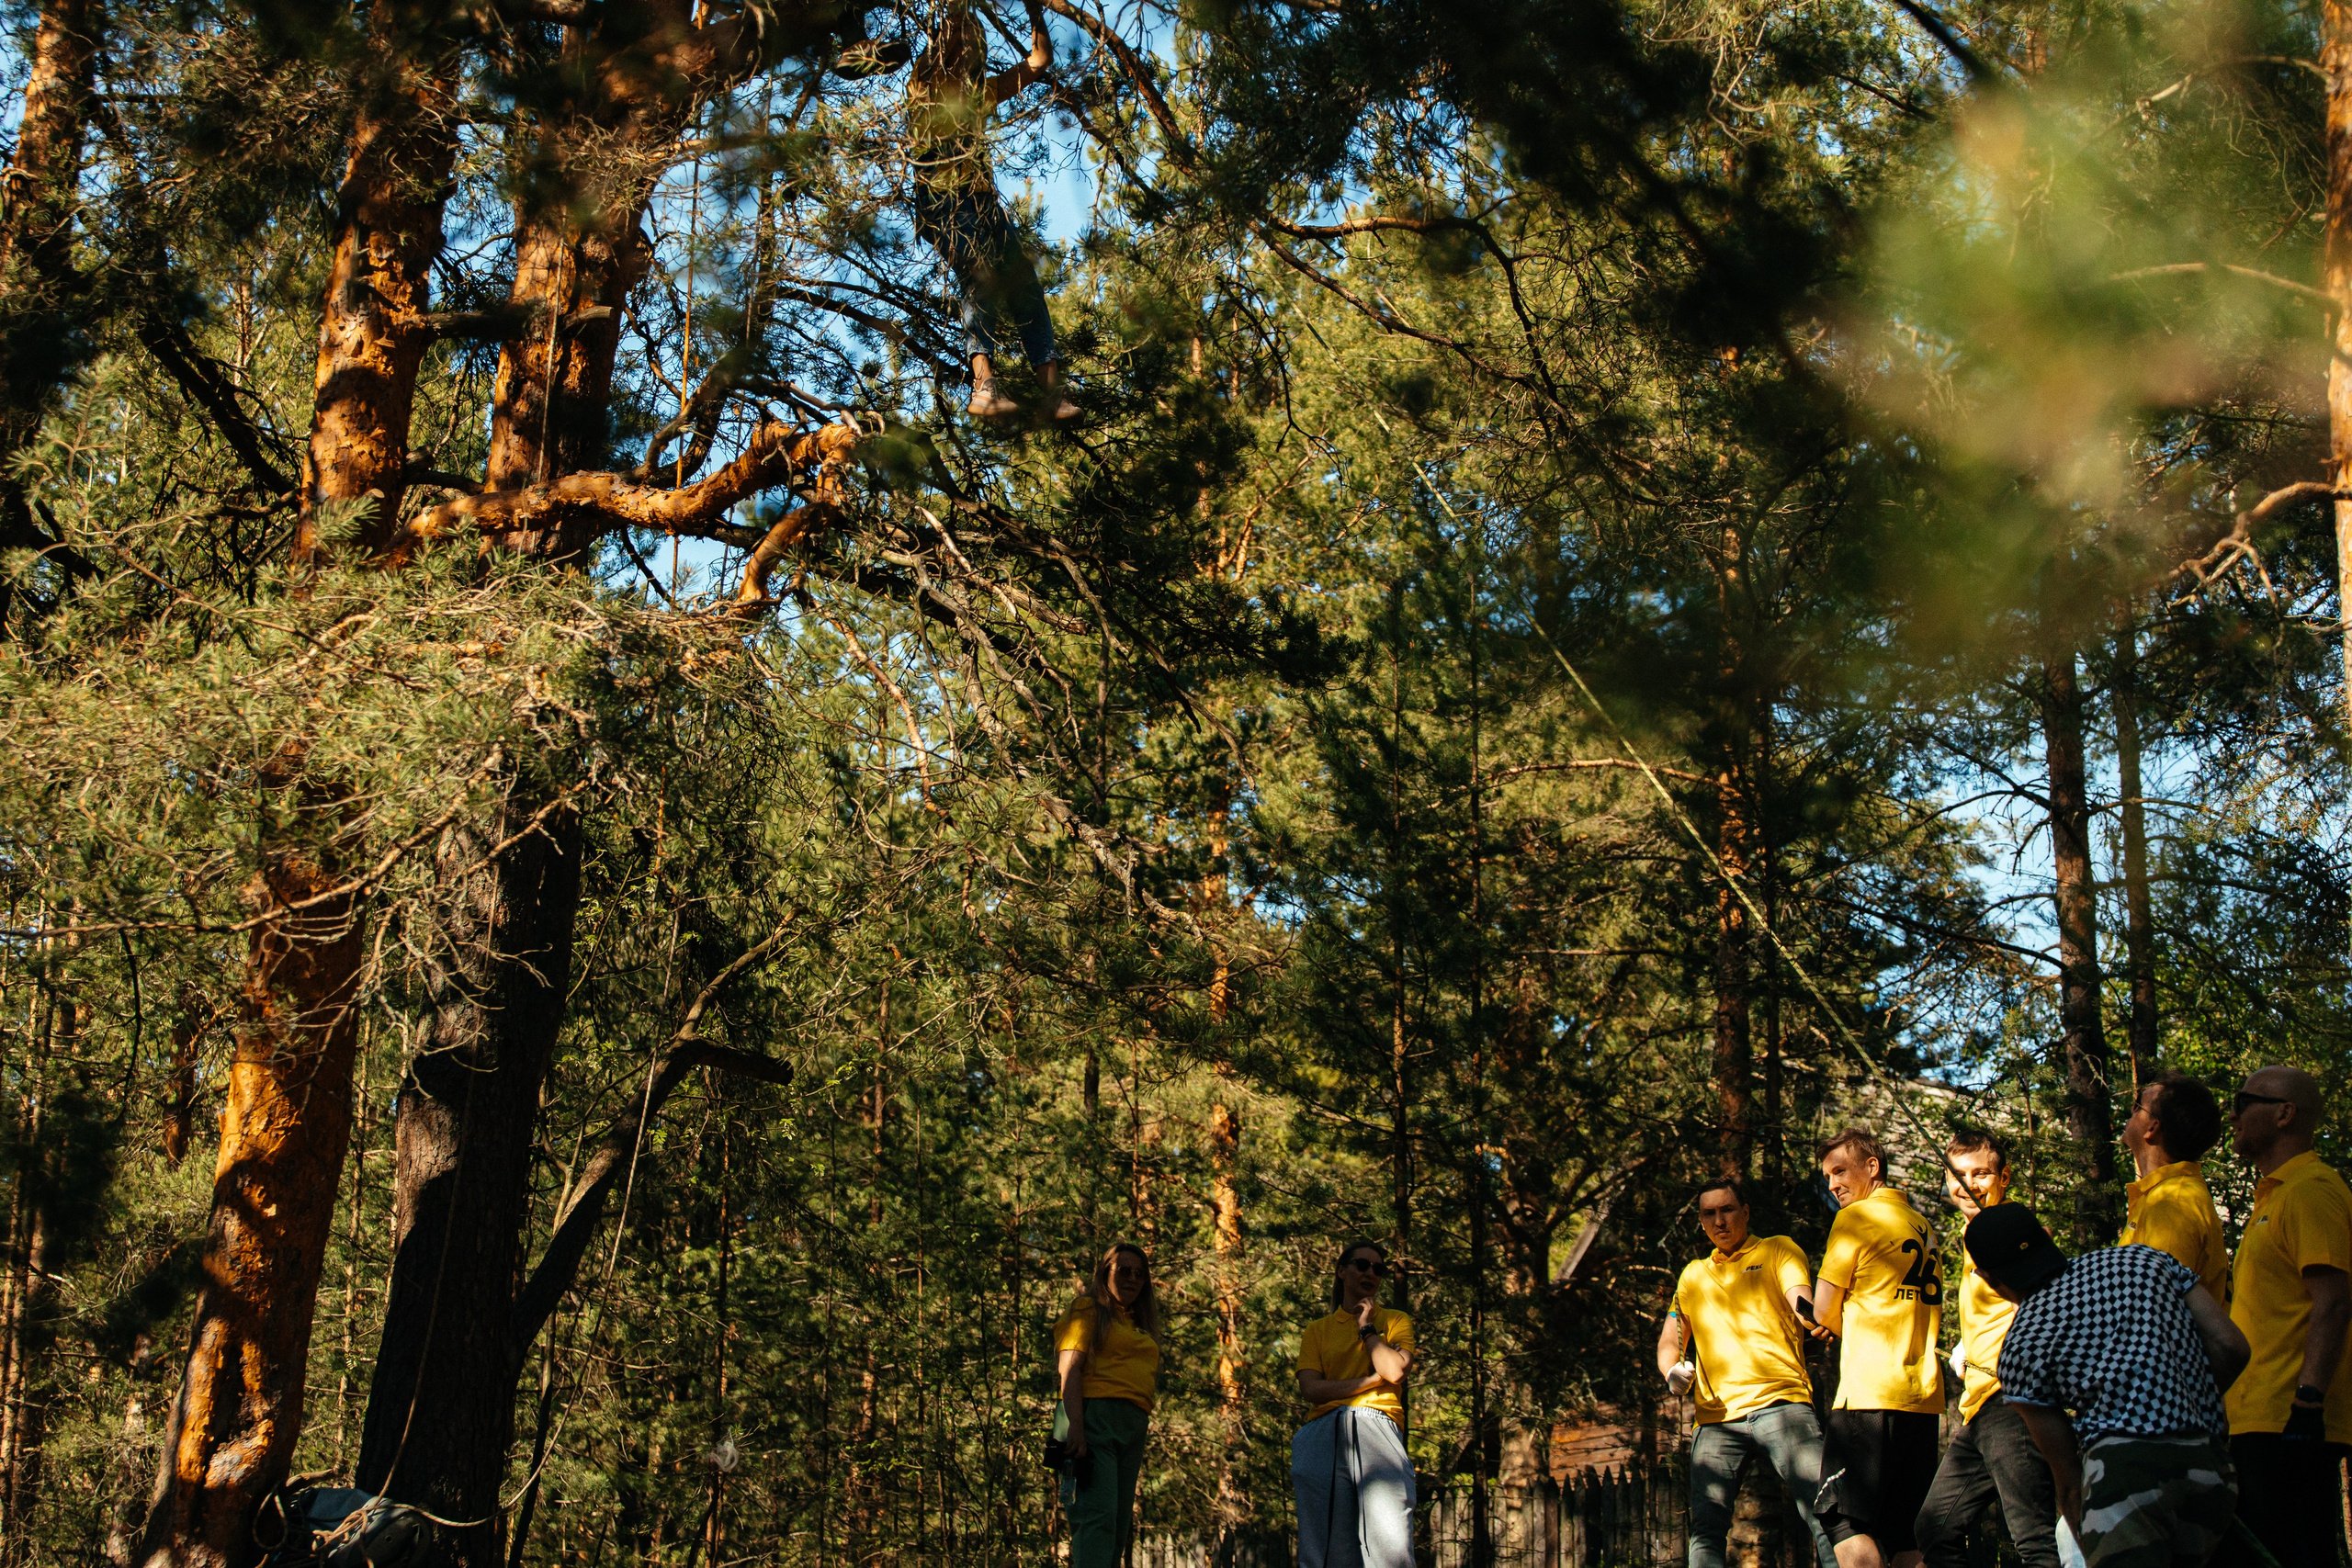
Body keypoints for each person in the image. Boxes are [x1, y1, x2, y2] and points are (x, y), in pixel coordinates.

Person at [1972, 1204, 2249, 1568]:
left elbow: (2068, 1478)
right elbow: (2232, 1346)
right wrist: (2185, 1401)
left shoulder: (2022, 1346)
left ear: (1987, 1277)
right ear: (2048, 1238)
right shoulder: (2146, 1262)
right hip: (2209, 1467)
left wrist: (2093, 1551)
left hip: (2122, 1483)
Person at [905, 0, 1080, 423]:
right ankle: (983, 387)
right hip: (942, 199)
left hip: (981, 202)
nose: (967, 46)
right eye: (961, 39)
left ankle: (1053, 393)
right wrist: (956, 14)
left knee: (1023, 283)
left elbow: (1039, 60)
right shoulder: (925, 85)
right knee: (978, 274)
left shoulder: (980, 92)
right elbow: (941, 48)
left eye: (973, 41)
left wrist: (1034, 9)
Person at [1658, 1176, 1838, 1568]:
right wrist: (1672, 1370)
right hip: (1716, 1419)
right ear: (1702, 1222)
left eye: (1727, 1210)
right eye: (1710, 1214)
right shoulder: (1692, 1276)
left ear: (1746, 1212)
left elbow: (1800, 1299)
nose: (1719, 1221)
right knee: (1706, 1529)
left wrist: (1815, 1318)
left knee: (1826, 1515)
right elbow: (1671, 1339)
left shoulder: (1778, 1250)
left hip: (1783, 1405)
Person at [2223, 1065, 2352, 1568]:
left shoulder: (2311, 1190)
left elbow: (2335, 1301)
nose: (2231, 1114)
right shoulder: (2275, 1196)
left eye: (2243, 1101)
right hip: (2258, 1418)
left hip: (2290, 1420)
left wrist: (2309, 1403)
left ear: (2284, 1114)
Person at [1914, 1131, 2059, 1568]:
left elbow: (2048, 1298)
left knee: (2033, 1540)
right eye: (1958, 1175)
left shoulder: (2016, 1230)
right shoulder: (1971, 1233)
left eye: (1981, 1174)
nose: (1969, 1185)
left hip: (2010, 1398)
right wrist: (1964, 1345)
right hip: (1978, 1405)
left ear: (2004, 1177)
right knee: (1934, 1529)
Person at [1806, 1127, 1944, 1568]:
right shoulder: (1923, 1225)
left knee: (1842, 1520)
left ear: (1873, 1167)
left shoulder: (1854, 1219)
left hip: (1869, 1394)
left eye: (1840, 1171)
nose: (1833, 1185)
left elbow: (1823, 1312)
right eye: (1827, 1177)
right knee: (1906, 1534)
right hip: (1922, 1399)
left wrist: (1830, 1318)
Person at [1294, 1240, 1417, 1568]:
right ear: (1341, 1271)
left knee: (1391, 1544)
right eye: (1362, 1265)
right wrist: (1370, 1382)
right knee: (1323, 1551)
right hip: (1322, 1433)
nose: (1370, 1274)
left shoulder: (1395, 1321)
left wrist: (1367, 1328)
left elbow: (1392, 1370)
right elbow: (1310, 1389)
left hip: (1378, 1426)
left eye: (1378, 1269)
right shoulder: (1317, 1330)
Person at [1052, 1242, 1161, 1568]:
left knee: (1116, 1527)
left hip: (1131, 1427)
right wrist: (1075, 1426)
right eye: (1124, 1270)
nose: (1132, 1279)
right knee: (1096, 1520)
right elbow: (1069, 1367)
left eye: (1140, 1274)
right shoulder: (1087, 1309)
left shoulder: (1137, 1325)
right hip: (1089, 1419)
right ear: (1104, 1273)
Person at [2118, 1072, 2228, 1297]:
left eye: (2138, 1105)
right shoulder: (2166, 1195)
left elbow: (2155, 1304)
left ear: (2153, 1128)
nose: (2130, 1110)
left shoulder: (2171, 1203)